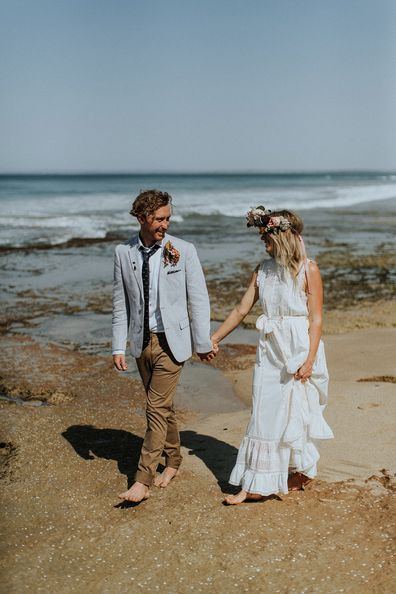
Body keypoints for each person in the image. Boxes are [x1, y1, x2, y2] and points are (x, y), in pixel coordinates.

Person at [211, 206, 334, 505]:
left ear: (282, 236)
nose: (262, 242)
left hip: (299, 350)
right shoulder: (262, 271)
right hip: (270, 351)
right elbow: (242, 309)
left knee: (295, 412)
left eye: (265, 236)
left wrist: (309, 360)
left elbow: (316, 319)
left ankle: (299, 471)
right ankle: (259, 480)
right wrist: (213, 338)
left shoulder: (309, 269)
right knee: (264, 414)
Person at [112, 189, 215, 503]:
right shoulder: (123, 252)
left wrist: (202, 341)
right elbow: (120, 303)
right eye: (159, 219)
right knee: (163, 408)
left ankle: (142, 480)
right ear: (142, 218)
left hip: (173, 343)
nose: (165, 225)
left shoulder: (183, 250)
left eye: (168, 218)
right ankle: (173, 461)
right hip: (141, 342)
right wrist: (118, 345)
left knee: (154, 409)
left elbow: (198, 300)